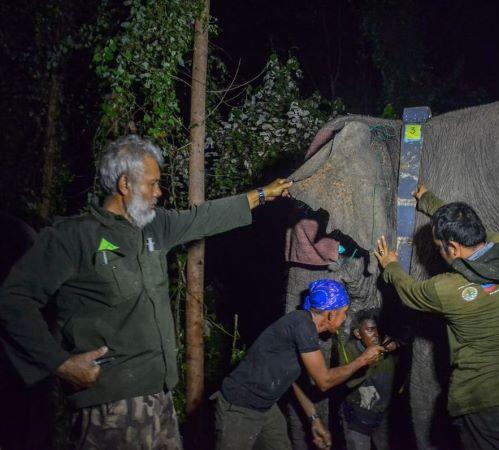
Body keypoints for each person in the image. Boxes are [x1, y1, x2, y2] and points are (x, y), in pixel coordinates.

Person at [0, 134, 293, 449]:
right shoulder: (73, 237)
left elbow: (203, 217)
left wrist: (262, 195)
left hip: (160, 398)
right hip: (110, 407)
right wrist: (60, 363)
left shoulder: (155, 227)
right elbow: (13, 301)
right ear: (124, 185)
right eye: (151, 184)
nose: (159, 192)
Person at [374, 185, 499, 450]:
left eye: (439, 247)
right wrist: (428, 200)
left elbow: (409, 291)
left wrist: (391, 266)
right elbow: (471, 230)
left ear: (452, 247)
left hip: (484, 401)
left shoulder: (446, 289)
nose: (439, 253)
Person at [212, 279, 385, 450]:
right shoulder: (303, 326)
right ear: (331, 314)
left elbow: (294, 381)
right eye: (344, 312)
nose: (345, 318)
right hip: (239, 408)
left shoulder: (304, 327)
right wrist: (362, 360)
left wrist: (314, 420)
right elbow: (324, 381)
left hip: (266, 407)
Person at [338, 309, 400, 450]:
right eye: (370, 330)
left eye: (376, 329)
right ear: (358, 334)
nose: (376, 335)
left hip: (381, 415)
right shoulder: (349, 350)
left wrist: (397, 345)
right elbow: (348, 382)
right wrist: (368, 361)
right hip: (357, 418)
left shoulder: (384, 350)